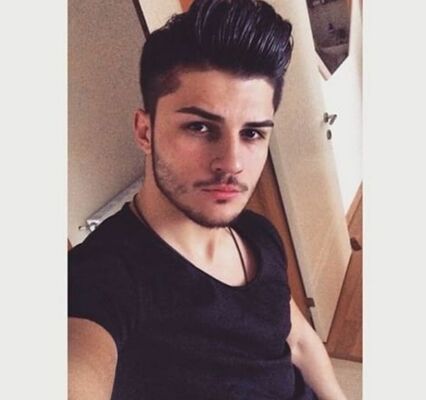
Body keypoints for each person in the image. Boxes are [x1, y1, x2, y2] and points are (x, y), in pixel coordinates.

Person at [68, 1, 347, 399]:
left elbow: (299, 341)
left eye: (252, 133)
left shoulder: (258, 234)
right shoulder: (103, 279)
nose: (232, 163)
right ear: (145, 131)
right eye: (200, 127)